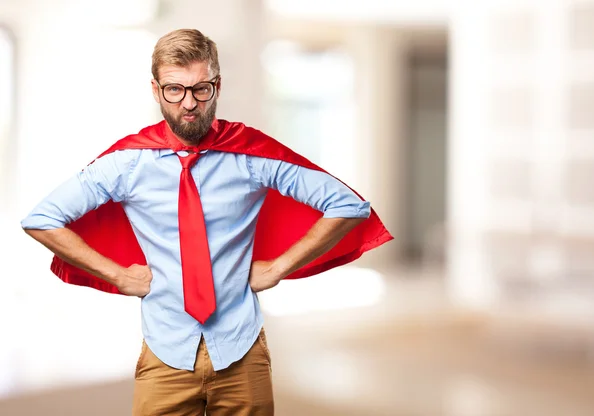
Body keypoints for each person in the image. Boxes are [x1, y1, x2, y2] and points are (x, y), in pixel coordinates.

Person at [21, 29, 391, 415]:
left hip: (242, 351)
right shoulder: (128, 164)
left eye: (200, 89)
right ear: (156, 90)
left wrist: (280, 267)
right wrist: (117, 275)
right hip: (165, 353)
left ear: (217, 85)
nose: (189, 104)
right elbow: (42, 219)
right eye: (174, 90)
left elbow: (348, 205)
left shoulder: (249, 154)